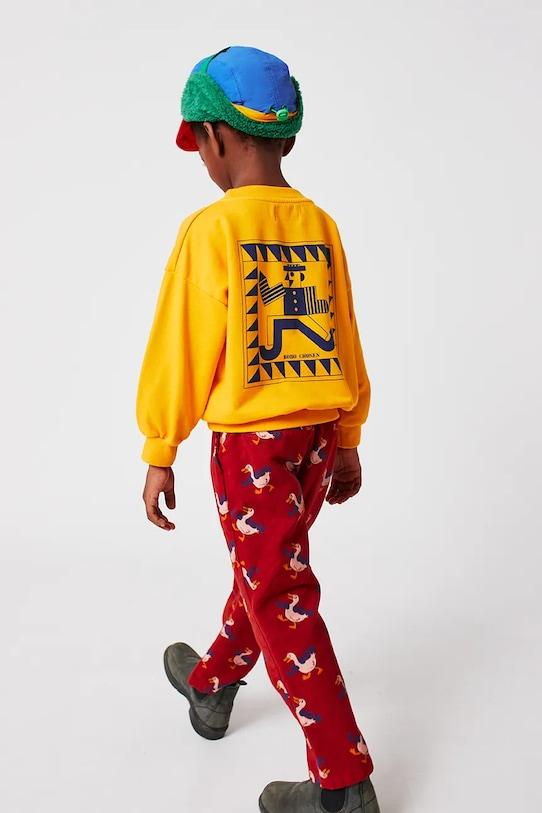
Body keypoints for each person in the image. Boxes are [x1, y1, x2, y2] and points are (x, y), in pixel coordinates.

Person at [135, 45, 380, 813]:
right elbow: (343, 331)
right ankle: (212, 684)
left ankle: (344, 782)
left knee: (280, 590)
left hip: (252, 445)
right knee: (269, 567)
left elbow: (180, 347)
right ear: (288, 136)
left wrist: (160, 446)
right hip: (316, 437)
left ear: (215, 137)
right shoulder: (320, 225)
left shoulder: (211, 229)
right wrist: (348, 436)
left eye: (199, 142)